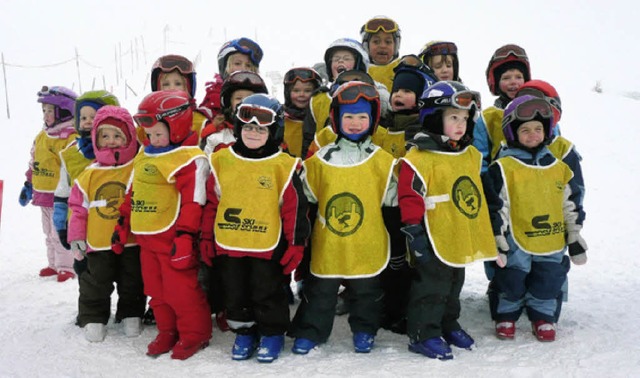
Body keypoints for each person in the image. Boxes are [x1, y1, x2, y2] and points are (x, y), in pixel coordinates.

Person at [200, 94, 310, 362]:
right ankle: (245, 331)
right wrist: (205, 237)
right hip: (230, 243)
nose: (253, 132)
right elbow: (212, 202)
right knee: (235, 292)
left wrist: (296, 244)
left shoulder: (282, 166)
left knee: (267, 291)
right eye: (248, 127)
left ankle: (271, 334)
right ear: (238, 128)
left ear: (273, 131)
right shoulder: (222, 160)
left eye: (260, 128)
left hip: (268, 245)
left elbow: (295, 208)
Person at [290, 81, 397, 355]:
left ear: (372, 121)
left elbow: (394, 197)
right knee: (320, 293)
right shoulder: (320, 161)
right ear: (337, 119)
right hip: (329, 244)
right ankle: (311, 331)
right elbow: (304, 197)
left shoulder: (382, 161)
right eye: (348, 116)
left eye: (362, 117)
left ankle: (364, 329)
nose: (355, 122)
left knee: (366, 293)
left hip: (367, 242)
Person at [398, 81, 498, 360]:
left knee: (455, 283)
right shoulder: (419, 158)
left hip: (458, 233)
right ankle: (423, 332)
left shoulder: (468, 155)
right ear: (434, 117)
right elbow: (409, 196)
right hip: (431, 234)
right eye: (453, 117)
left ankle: (447, 322)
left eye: (465, 119)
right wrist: (414, 232)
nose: (461, 124)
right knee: (431, 286)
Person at [113, 90, 212, 360]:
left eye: (158, 134)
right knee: (155, 292)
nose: (152, 139)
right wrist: (123, 224)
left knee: (181, 291)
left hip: (173, 240)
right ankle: (167, 330)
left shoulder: (189, 159)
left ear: (177, 128)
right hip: (147, 239)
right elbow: (134, 192)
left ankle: (194, 334)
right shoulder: (145, 154)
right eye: (149, 134)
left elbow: (194, 201)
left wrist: (185, 236)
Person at [483, 95, 587, 342]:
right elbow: (498, 205)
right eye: (525, 130)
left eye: (538, 129)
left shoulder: (558, 167)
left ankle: (543, 315)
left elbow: (569, 203)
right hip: (516, 239)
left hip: (551, 238)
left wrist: (574, 235)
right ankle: (506, 313)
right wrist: (498, 235)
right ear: (512, 132)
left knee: (548, 278)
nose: (533, 135)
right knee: (511, 278)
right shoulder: (504, 166)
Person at [67, 105, 146, 342]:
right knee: (95, 282)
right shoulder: (89, 174)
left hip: (131, 241)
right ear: (96, 138)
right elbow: (78, 208)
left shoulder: (137, 167)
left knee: (133, 280)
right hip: (98, 243)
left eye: (117, 135)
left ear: (129, 137)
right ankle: (93, 316)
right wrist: (77, 237)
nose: (111, 141)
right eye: (105, 136)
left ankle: (131, 313)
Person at [20, 85, 78, 282]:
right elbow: (34, 160)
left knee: (59, 232)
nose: (45, 115)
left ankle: (67, 267)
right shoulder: (42, 136)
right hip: (42, 194)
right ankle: (53, 264)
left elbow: (73, 168)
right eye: (43, 110)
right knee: (48, 233)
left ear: (63, 111)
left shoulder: (69, 138)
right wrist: (29, 184)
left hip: (61, 197)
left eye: (49, 111)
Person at [53, 90, 120, 257]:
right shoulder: (70, 154)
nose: (88, 122)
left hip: (115, 225)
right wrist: (62, 224)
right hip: (81, 229)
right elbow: (63, 192)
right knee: (88, 276)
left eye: (94, 116)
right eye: (83, 118)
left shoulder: (123, 151)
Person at [473, 44, 531, 173]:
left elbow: (554, 147)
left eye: (518, 77)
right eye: (506, 78)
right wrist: (487, 183)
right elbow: (479, 157)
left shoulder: (539, 110)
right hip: (503, 183)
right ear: (496, 82)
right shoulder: (488, 118)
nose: (513, 82)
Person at [136, 54, 210, 147]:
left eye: (178, 84)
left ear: (189, 88)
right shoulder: (149, 120)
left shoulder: (199, 121)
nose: (172, 88)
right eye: (166, 84)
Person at [200, 70, 268, 155]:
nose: (244, 101)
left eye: (250, 98)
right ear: (229, 104)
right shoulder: (217, 138)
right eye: (238, 98)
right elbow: (204, 164)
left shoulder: (268, 137)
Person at [199, 37, 264, 123]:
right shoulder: (212, 102)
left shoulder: (261, 98)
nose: (243, 68)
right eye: (237, 63)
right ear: (224, 67)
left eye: (248, 65)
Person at [281, 67, 323, 158]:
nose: (301, 95)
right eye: (296, 91)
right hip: (288, 166)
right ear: (288, 92)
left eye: (307, 91)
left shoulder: (319, 119)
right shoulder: (281, 117)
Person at [360, 16, 402, 92]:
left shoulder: (403, 70)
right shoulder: (359, 72)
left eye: (388, 42)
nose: (383, 46)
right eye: (376, 41)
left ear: (396, 45)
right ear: (366, 46)